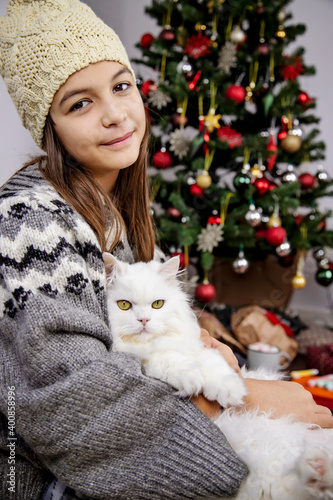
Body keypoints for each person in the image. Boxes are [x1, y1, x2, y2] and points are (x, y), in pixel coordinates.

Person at [0, 1, 332, 499]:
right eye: (79, 103)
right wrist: (238, 401)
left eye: (120, 85)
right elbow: (74, 404)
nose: (115, 115)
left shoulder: (111, 206)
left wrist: (200, 339)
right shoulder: (30, 220)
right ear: (50, 126)